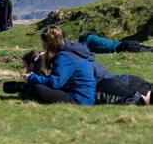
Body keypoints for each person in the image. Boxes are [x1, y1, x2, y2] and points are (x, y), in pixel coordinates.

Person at [23, 45, 152, 106]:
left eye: (26, 67)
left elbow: (54, 84)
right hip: (127, 80)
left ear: (31, 66)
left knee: (142, 99)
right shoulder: (69, 59)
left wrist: (32, 78)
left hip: (111, 86)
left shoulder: (50, 67)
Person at [20, 25, 96, 105]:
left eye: (45, 44)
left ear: (50, 44)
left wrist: (33, 77)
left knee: (36, 88)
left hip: (78, 99)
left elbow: (55, 82)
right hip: (84, 97)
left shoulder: (64, 56)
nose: (44, 48)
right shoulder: (70, 52)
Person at [79, 32, 153, 53]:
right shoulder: (93, 37)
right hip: (124, 43)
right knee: (146, 48)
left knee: (145, 51)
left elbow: (82, 49)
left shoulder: (88, 38)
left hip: (122, 46)